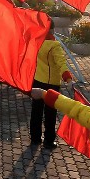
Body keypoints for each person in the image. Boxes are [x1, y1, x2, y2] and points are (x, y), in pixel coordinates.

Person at [31, 21, 74, 149]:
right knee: (50, 113)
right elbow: (61, 63)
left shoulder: (36, 41)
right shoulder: (54, 45)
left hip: (37, 79)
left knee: (36, 110)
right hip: (51, 83)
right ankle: (49, 140)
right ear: (53, 30)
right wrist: (68, 79)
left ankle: (35, 137)